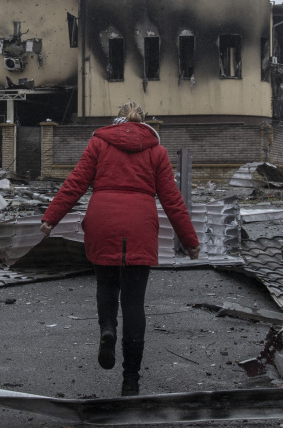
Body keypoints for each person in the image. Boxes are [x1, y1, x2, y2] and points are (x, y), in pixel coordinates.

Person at [40, 101, 200, 396]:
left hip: (104, 222)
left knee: (106, 285)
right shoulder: (157, 151)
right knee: (134, 302)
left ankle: (107, 330)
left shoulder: (99, 143)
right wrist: (189, 241)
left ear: (117, 121)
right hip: (140, 226)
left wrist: (51, 218)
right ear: (144, 123)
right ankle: (131, 380)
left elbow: (75, 183)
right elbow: (172, 200)